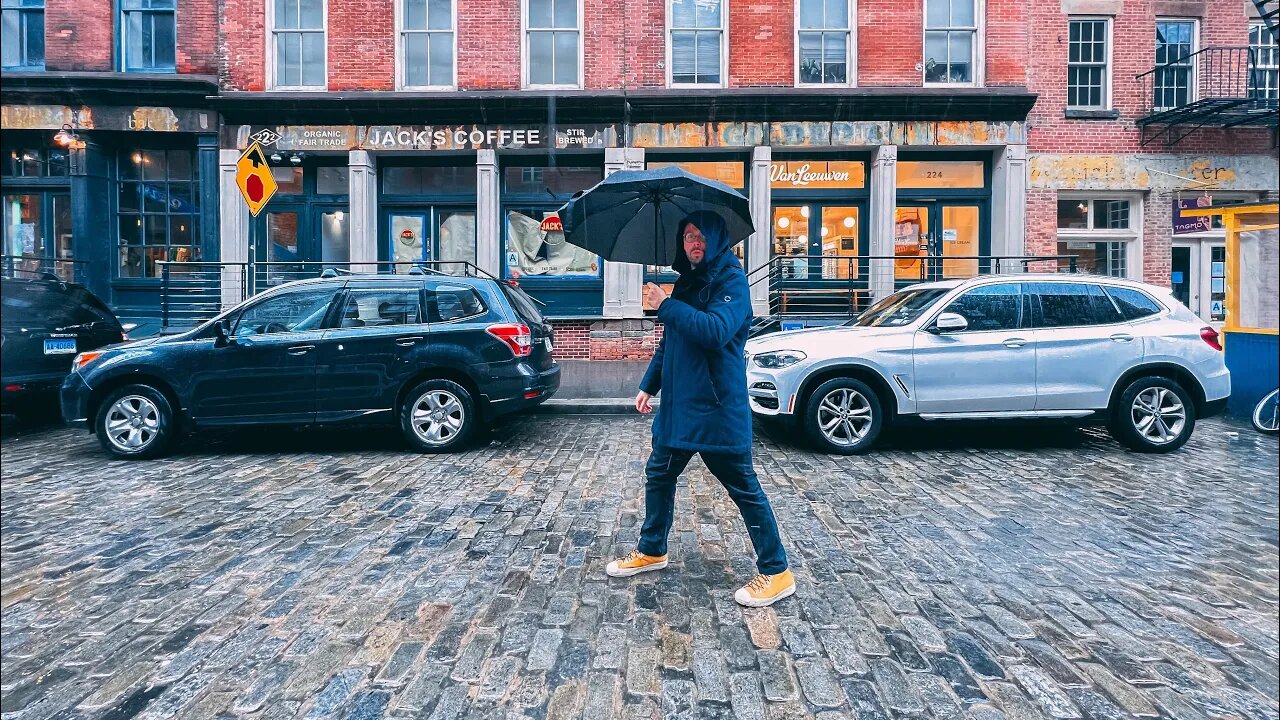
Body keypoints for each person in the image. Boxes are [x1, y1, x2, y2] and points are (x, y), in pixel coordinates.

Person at [605, 210, 794, 608]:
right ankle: (653, 548)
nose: (694, 243)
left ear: (716, 239)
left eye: (701, 236)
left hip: (716, 409)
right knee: (659, 473)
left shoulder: (731, 280)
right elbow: (673, 341)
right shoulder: (688, 282)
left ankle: (777, 572)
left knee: (743, 488)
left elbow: (715, 331)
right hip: (679, 407)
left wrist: (665, 305)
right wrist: (648, 384)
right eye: (688, 235)